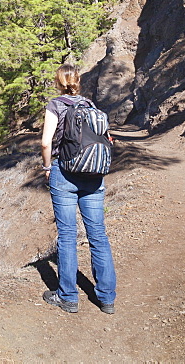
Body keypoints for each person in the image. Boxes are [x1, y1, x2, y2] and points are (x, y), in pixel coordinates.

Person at [39, 63, 117, 315]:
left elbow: (45, 142)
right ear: (77, 81)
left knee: (67, 235)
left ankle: (68, 297)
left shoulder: (56, 105)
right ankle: (106, 299)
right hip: (93, 175)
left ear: (59, 82)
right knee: (98, 236)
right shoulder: (91, 106)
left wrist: (47, 167)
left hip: (65, 173)